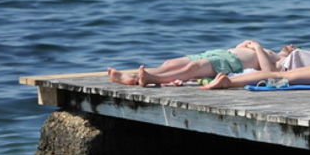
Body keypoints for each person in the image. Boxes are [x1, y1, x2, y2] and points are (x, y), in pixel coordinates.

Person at [107, 40, 294, 86]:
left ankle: (151, 78)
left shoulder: (278, 62)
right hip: (220, 54)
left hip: (229, 63)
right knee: (171, 62)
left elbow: (268, 72)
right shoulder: (271, 51)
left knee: (191, 69)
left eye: (293, 49)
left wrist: (257, 47)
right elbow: (239, 49)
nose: (291, 46)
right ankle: (132, 77)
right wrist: (245, 45)